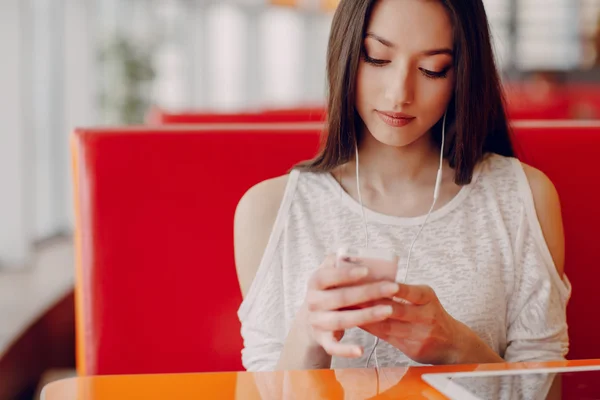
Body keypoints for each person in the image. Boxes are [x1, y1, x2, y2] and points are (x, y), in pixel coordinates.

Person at [234, 0, 570, 372]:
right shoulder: (270, 210)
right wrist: (309, 337)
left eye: (432, 69)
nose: (399, 93)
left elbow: (545, 390)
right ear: (345, 51)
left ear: (462, 74)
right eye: (377, 58)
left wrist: (457, 347)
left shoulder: (522, 197)